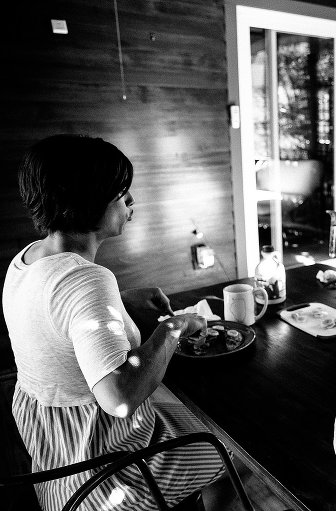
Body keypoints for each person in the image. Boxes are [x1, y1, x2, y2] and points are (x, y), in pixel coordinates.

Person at [2, 135, 226, 510]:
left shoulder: (25, 261)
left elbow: (54, 321)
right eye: (121, 193)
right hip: (105, 469)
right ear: (87, 201)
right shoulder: (87, 279)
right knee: (227, 448)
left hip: (57, 462)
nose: (131, 201)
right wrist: (174, 327)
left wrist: (119, 303)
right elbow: (120, 399)